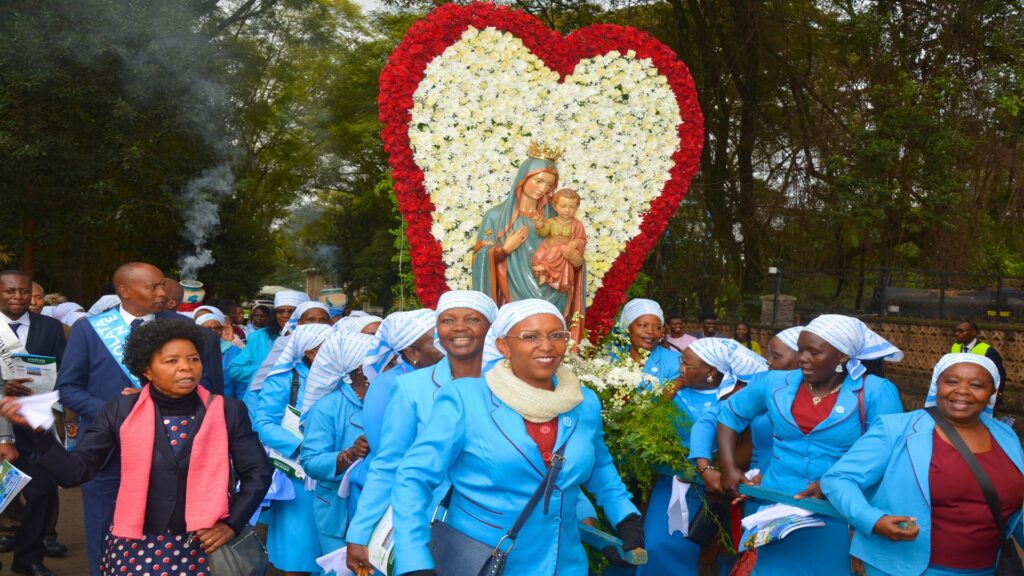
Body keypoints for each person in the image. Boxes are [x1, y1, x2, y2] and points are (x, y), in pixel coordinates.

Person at [389, 299, 643, 576]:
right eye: (530, 337)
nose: (546, 346)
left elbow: (600, 467)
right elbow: (414, 477)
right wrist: (414, 559)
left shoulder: (584, 403)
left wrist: (626, 516)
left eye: (557, 335)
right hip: (480, 561)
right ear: (503, 346)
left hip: (563, 562)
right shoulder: (466, 399)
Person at [0, 319, 274, 576]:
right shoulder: (122, 409)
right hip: (134, 547)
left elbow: (257, 473)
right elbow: (74, 472)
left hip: (205, 547)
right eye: (171, 361)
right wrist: (39, 431)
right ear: (146, 369)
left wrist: (230, 524)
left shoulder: (227, 411)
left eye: (193, 359)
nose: (186, 368)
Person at [55, 262, 224, 576]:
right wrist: (118, 414)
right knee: (103, 529)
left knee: (170, 536)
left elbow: (211, 395)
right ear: (125, 291)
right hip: (108, 455)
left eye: (163, 285)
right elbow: (68, 389)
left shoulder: (188, 332)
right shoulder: (90, 330)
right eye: (154, 286)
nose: (164, 293)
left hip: (173, 456)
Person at [717, 314, 905, 575]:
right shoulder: (775, 383)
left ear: (841, 356)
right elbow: (730, 414)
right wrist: (728, 466)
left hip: (835, 515)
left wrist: (835, 483)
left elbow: (889, 453)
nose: (802, 358)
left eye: (813, 352)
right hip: (773, 510)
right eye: (801, 349)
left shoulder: (874, 391)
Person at [823, 353, 1024, 576]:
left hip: (987, 568)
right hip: (905, 569)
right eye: (952, 382)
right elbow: (838, 479)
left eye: (976, 385)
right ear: (937, 385)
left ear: (992, 393)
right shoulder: (897, 429)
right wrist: (873, 520)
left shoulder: (1005, 435)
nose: (963, 391)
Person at [345, 291, 497, 573]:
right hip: (426, 524)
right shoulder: (412, 388)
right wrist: (359, 532)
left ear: (491, 328)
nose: (460, 327)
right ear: (439, 329)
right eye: (448, 320)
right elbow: (388, 464)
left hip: (496, 525)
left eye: (473, 319)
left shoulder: (508, 384)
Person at [640, 337, 769, 576]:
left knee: (703, 555)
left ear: (711, 370)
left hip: (713, 489)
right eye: (681, 361)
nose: (681, 368)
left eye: (688, 365)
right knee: (656, 544)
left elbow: (746, 445)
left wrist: (714, 466)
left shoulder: (732, 396)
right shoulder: (674, 388)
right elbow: (649, 420)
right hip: (671, 482)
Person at [471, 145, 585, 328]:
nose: (543, 188)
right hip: (513, 299)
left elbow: (577, 262)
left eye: (549, 184)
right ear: (523, 178)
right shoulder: (496, 216)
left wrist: (575, 259)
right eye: (539, 181)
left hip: (555, 293)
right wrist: (504, 250)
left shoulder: (558, 218)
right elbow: (481, 257)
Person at [0, 270, 68, 576]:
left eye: (23, 292)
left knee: (41, 491)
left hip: (34, 424)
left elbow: (65, 372)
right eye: (10, 291)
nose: (18, 298)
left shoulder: (51, 327)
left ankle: (28, 558)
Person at [252, 322, 332, 576]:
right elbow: (263, 423)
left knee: (326, 544)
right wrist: (302, 447)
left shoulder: (337, 374)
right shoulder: (286, 377)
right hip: (296, 473)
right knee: (298, 545)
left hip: (330, 468)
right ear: (310, 352)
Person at [299, 331, 380, 556]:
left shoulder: (390, 399)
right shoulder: (328, 407)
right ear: (362, 370)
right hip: (338, 515)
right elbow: (311, 461)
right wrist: (350, 454)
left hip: (378, 510)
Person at [228, 290, 307, 410]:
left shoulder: (313, 340)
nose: (285, 315)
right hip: (263, 402)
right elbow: (236, 370)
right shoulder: (259, 337)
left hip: (302, 402)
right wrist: (267, 370)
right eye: (280, 311)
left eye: (291, 311)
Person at [531, 188, 586, 292]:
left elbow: (582, 239)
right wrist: (540, 224)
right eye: (563, 206)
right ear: (555, 206)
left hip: (563, 249)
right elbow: (544, 232)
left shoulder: (577, 224)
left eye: (572, 207)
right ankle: (544, 275)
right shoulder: (552, 221)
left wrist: (575, 242)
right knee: (538, 256)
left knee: (556, 250)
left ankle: (545, 268)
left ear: (576, 208)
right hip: (549, 246)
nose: (567, 210)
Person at [946, 321, 1007, 410]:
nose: (957, 334)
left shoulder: (987, 350)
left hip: (979, 392)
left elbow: (1000, 373)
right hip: (960, 391)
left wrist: (999, 391)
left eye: (961, 331)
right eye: (956, 331)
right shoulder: (955, 347)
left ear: (973, 333)